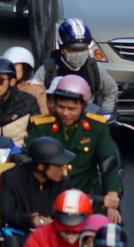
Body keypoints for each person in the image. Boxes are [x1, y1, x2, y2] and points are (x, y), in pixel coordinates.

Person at [25, 78, 121, 221]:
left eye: (71, 109)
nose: (65, 113)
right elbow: (28, 157)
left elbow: (108, 160)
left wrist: (112, 193)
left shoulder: (97, 127)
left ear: (83, 106)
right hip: (49, 197)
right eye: (61, 107)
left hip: (88, 196)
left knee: (112, 231)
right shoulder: (41, 127)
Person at [29, 18, 120, 118]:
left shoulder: (93, 68)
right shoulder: (48, 69)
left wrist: (105, 114)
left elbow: (111, 90)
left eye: (83, 49)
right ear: (62, 47)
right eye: (74, 49)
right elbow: (34, 93)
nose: (79, 54)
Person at [0, 135, 77, 233]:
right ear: (41, 166)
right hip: (20, 235)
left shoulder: (64, 183)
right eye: (58, 165)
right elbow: (6, 214)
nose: (63, 169)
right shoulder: (11, 178)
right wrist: (29, 220)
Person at [20, 190, 92, 247]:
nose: (69, 234)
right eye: (66, 231)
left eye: (74, 232)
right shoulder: (41, 236)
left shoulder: (94, 236)